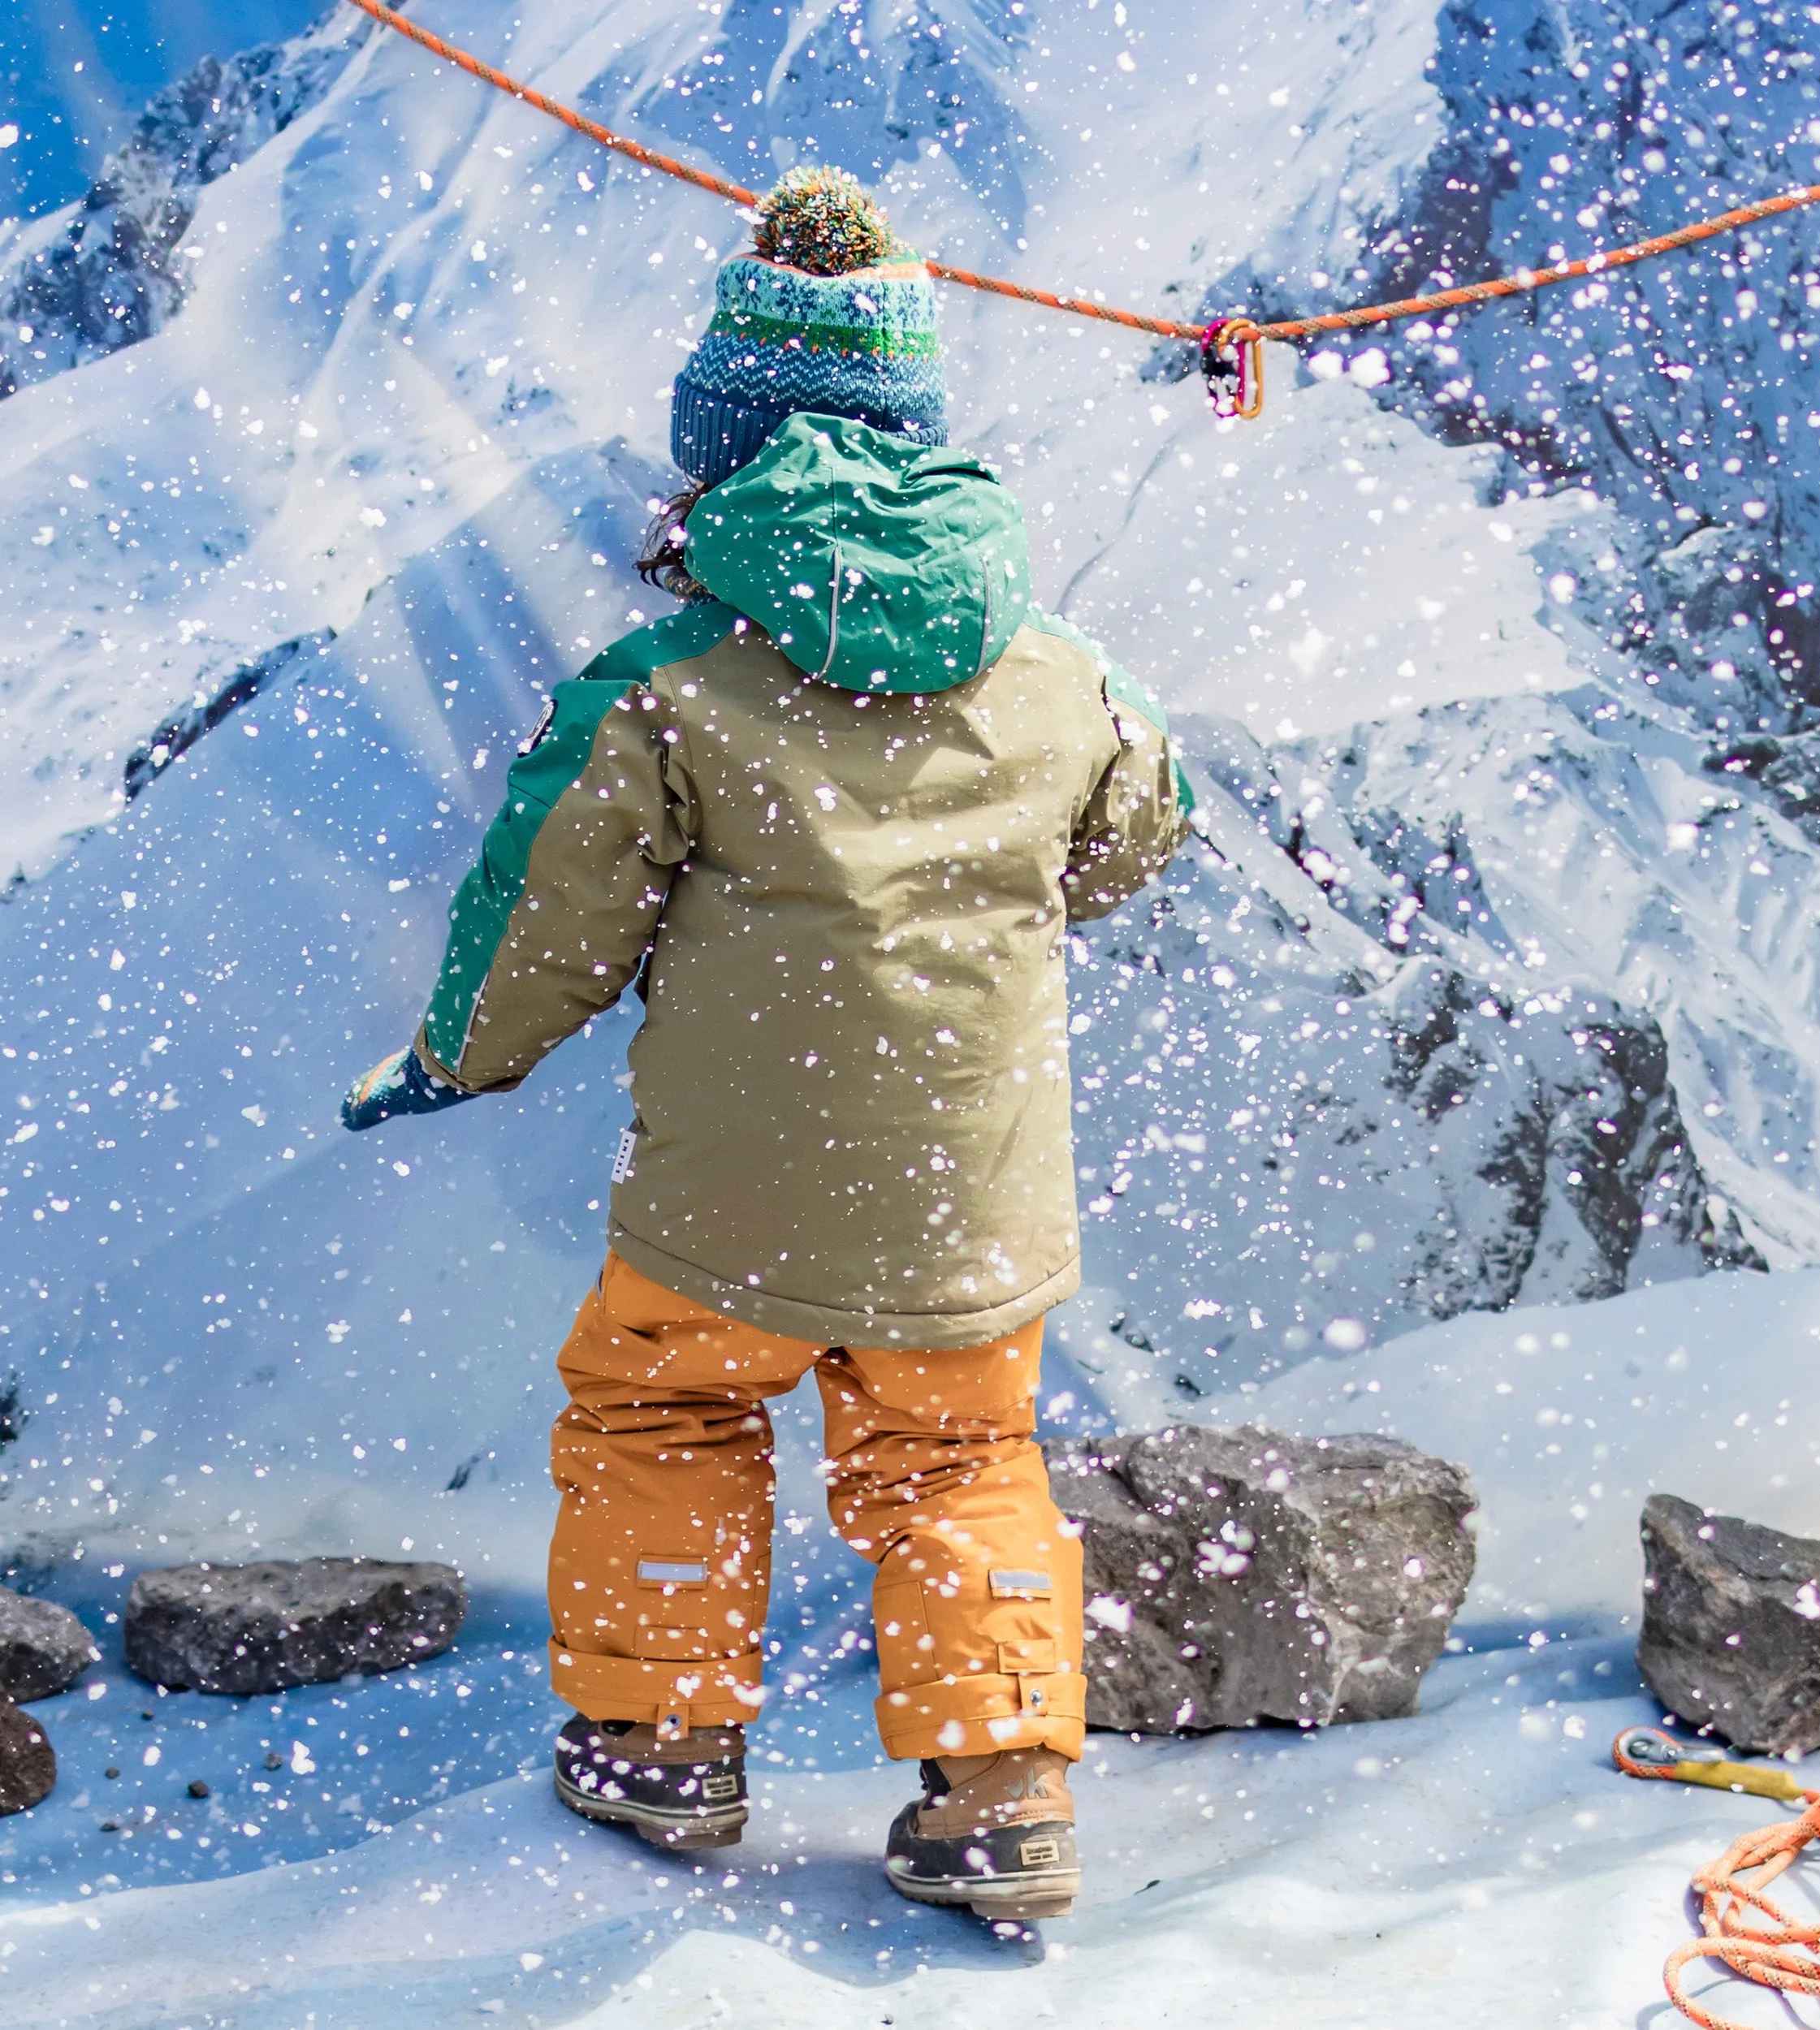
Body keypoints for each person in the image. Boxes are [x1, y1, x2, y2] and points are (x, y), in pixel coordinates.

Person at [341, 165, 1187, 1923]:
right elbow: (1125, 833)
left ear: (720, 455)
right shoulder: (1060, 679)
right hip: (969, 1196)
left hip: (728, 1195)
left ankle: (661, 1741)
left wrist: (454, 1057)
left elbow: (544, 911)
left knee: (666, 1404)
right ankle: (1003, 1782)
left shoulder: (674, 687)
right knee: (958, 1458)